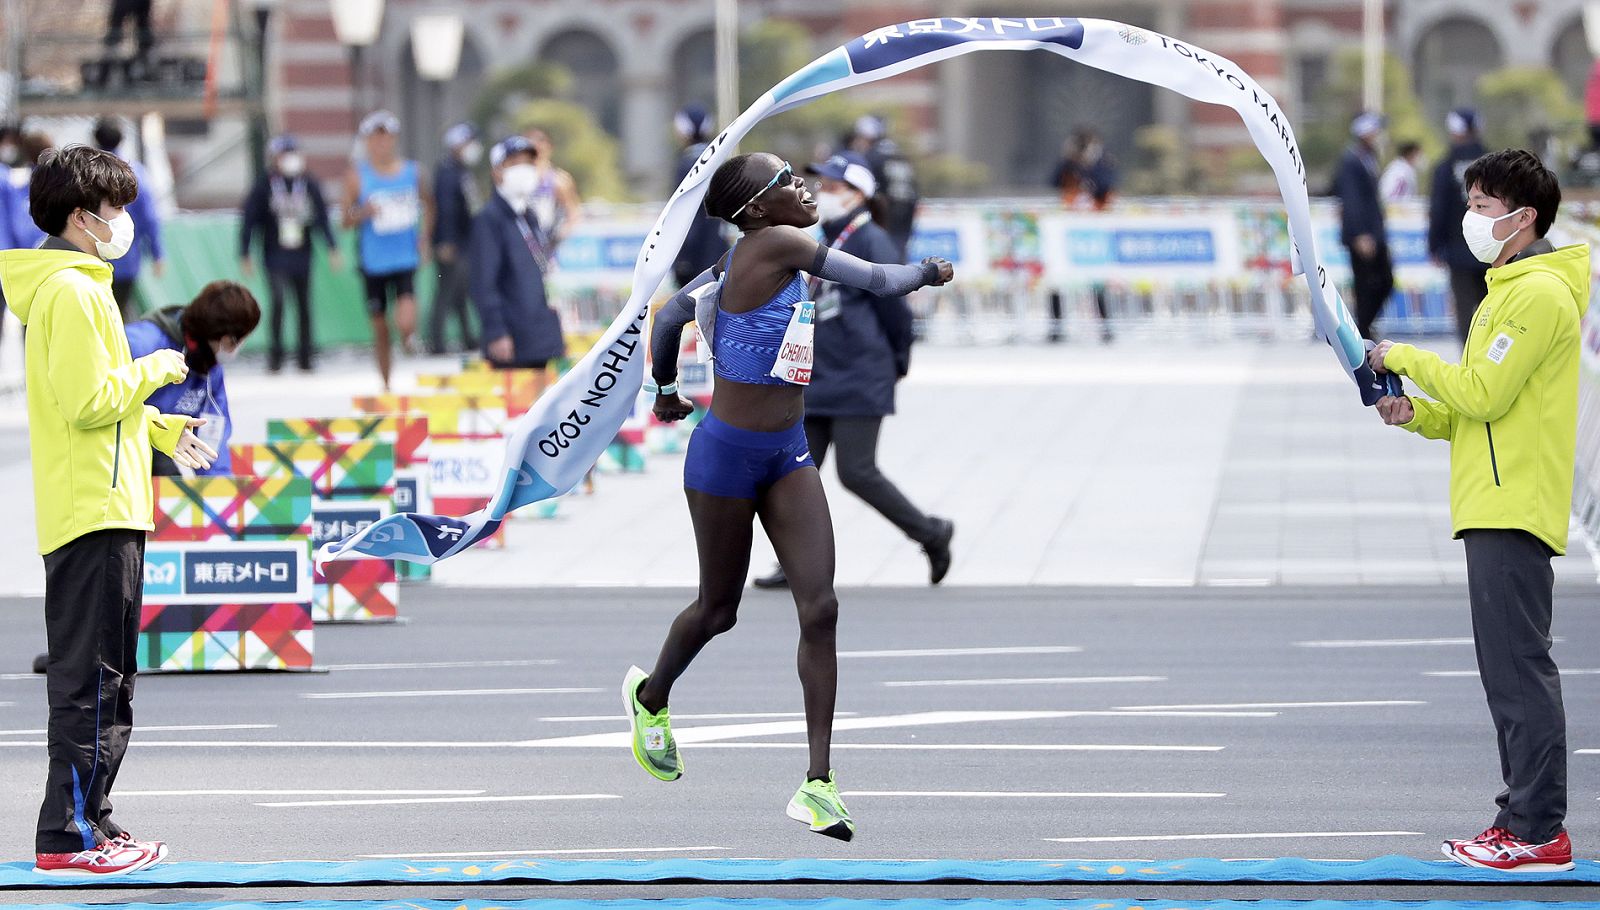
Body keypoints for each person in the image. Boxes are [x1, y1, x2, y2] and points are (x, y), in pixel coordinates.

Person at [627, 152, 953, 841]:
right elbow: (877, 279)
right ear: (756, 211)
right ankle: (651, 696)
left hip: (787, 453)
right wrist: (929, 271)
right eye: (787, 182)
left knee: (822, 607)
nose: (803, 188)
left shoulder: (740, 260)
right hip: (723, 460)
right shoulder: (780, 244)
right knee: (719, 611)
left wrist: (664, 391)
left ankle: (818, 785)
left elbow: (669, 321)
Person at [0, 144, 215, 876]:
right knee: (90, 681)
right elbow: (90, 401)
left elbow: (97, 400)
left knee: (112, 680)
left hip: (110, 502)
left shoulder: (82, 284)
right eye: (115, 206)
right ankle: (66, 835)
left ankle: (94, 821)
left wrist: (158, 427)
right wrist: (158, 368)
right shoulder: (71, 291)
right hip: (91, 508)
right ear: (79, 215)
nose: (124, 219)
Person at [1369, 149, 1581, 873]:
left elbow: (1483, 394)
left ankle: (1537, 830)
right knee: (1510, 675)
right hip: (1496, 496)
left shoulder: (1535, 296)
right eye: (1471, 204)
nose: (1472, 219)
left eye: (1484, 207)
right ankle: (1520, 820)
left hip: (1512, 503)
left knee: (1520, 674)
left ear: (1524, 219)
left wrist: (1407, 355)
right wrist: (1415, 413)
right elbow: (1478, 413)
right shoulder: (1510, 288)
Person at [753, 152, 953, 591]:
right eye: (822, 184)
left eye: (836, 186)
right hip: (819, 374)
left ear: (859, 194)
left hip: (861, 372)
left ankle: (931, 533)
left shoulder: (871, 239)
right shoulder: (826, 237)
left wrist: (897, 363)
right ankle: (795, 564)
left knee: (857, 472)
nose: (825, 192)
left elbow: (896, 313)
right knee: (795, 473)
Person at [125, 280, 261, 476]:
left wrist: (219, 496)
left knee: (170, 484)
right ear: (228, 340)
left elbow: (211, 444)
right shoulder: (140, 344)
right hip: (114, 446)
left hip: (156, 444)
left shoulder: (210, 371)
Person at [342, 110, 431, 390]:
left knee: (405, 319)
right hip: (374, 262)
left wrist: (425, 237)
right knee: (380, 330)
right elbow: (345, 220)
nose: (382, 143)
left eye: (386, 137)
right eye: (375, 138)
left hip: (405, 257)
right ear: (367, 141)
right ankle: (386, 384)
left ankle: (408, 337)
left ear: (394, 139)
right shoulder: (358, 176)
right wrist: (363, 212)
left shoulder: (413, 172)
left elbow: (430, 205)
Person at [470, 137, 565, 387]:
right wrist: (496, 332)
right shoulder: (489, 220)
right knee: (516, 417)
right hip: (512, 338)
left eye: (528, 163)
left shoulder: (529, 215)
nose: (523, 171)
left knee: (543, 414)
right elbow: (483, 283)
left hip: (540, 334)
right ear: (497, 171)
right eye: (514, 164)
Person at [239, 135, 339, 373]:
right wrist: (245, 252)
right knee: (278, 301)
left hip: (302, 254)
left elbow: (322, 217)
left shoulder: (309, 183)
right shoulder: (264, 184)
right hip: (274, 254)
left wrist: (332, 246)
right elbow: (250, 219)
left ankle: (306, 356)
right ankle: (276, 356)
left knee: (304, 305)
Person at [1047, 127, 1118, 343]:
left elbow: (1106, 185)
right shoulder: (1068, 165)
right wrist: (1069, 160)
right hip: (1069, 229)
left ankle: (1105, 327)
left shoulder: (1104, 163)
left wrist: (1090, 164)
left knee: (1097, 282)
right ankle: (1056, 327)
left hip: (1095, 229)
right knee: (1057, 278)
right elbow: (1053, 182)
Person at [92, 119, 164, 322]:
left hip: (92, 257)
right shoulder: (135, 172)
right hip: (126, 258)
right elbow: (150, 217)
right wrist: (158, 253)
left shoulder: (86, 172)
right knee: (119, 314)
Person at [1430, 109, 1491, 343]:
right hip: (1493, 248)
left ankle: (1468, 363)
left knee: (1465, 312)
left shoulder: (1445, 166)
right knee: (1493, 308)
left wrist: (1435, 245)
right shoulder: (1495, 163)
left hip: (1458, 250)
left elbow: (1438, 208)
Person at [1333, 111, 1394, 340]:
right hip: (1363, 235)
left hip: (1374, 233)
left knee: (1383, 282)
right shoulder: (1351, 160)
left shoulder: (1368, 157)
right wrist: (1359, 234)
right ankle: (1362, 329)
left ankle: (1364, 325)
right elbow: (1351, 199)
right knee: (1367, 284)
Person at [429, 122, 482, 355]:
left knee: (461, 292)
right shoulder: (448, 172)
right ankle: (436, 342)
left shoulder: (462, 171)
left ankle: (467, 337)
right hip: (451, 242)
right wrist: (447, 241)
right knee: (446, 291)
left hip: (464, 240)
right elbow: (446, 209)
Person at [672, 104, 729, 288]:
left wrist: (682, 257)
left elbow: (684, 215)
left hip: (694, 254)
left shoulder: (686, 164)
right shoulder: (720, 160)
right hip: (720, 250)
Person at [849, 115, 919, 258]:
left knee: (882, 256)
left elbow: (866, 187)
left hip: (886, 211)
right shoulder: (899, 153)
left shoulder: (872, 156)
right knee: (899, 252)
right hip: (907, 209)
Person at [521, 127, 583, 266]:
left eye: (540, 145)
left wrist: (558, 237)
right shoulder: (518, 179)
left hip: (548, 246)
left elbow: (573, 213)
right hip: (522, 244)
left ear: (549, 147)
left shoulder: (558, 180)